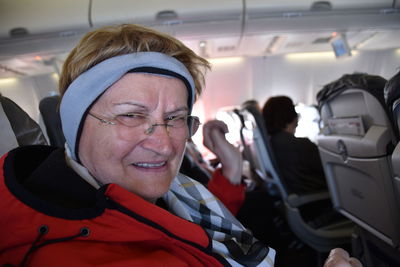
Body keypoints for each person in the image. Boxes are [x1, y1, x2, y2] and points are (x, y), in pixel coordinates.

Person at [0, 24, 274, 266]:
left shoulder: (176, 194)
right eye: (131, 115)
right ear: (76, 125)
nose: (164, 146)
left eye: (175, 118)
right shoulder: (66, 253)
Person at [262, 96, 327, 195]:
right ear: (291, 116)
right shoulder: (301, 145)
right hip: (317, 197)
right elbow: (328, 170)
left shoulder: (271, 143)